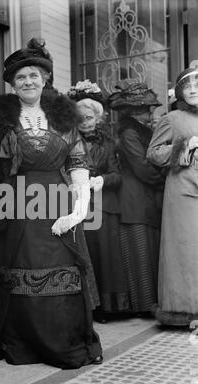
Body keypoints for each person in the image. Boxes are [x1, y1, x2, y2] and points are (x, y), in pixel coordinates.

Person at [0, 38, 103, 369]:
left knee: (63, 268)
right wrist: (9, 186)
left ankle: (64, 342)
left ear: (44, 78)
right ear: (12, 84)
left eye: (33, 75)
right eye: (21, 78)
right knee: (22, 267)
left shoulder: (63, 115)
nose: (28, 82)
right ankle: (23, 343)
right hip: (16, 206)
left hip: (57, 201)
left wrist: (76, 211)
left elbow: (78, 164)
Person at [68, 80, 129, 322]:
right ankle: (87, 307)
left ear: (97, 117)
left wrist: (101, 180)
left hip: (103, 206)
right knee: (86, 255)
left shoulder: (108, 142)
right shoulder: (68, 141)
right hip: (77, 205)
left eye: (90, 116)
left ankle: (107, 307)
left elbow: (118, 175)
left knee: (106, 256)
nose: (85, 121)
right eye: (81, 117)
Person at [108, 81, 165, 315]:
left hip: (144, 196)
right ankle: (143, 305)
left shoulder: (141, 130)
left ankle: (150, 303)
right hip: (134, 198)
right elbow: (141, 167)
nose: (150, 113)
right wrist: (164, 177)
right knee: (139, 250)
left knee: (148, 249)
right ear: (132, 112)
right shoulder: (129, 132)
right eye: (145, 109)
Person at [147, 67, 198, 326]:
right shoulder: (172, 118)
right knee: (185, 250)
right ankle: (184, 310)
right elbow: (153, 153)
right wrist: (184, 147)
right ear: (179, 90)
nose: (193, 89)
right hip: (183, 191)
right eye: (188, 85)